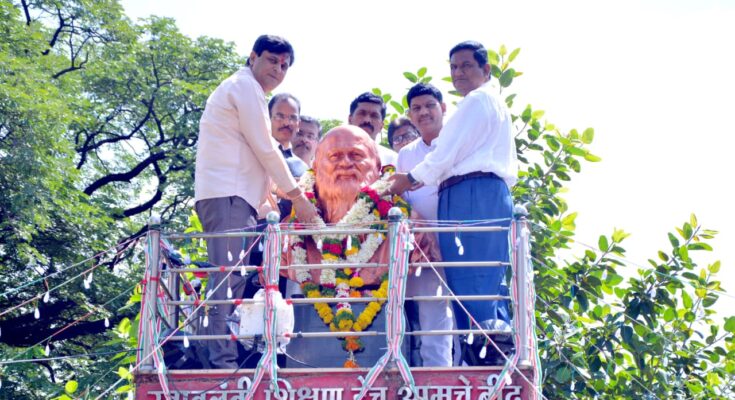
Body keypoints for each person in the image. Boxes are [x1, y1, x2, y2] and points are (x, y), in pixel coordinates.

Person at [389, 41, 518, 365]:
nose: (458, 73)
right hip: (477, 193)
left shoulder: (477, 101)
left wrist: (406, 180)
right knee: (480, 280)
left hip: (473, 193)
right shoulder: (489, 103)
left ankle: (488, 358)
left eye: (466, 66)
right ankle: (485, 357)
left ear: (485, 70)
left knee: (473, 279)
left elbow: (442, 156)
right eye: (454, 67)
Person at [194, 34, 317, 369]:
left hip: (234, 198)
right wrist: (298, 198)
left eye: (284, 65)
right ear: (253, 57)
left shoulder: (247, 91)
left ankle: (224, 358)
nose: (278, 69)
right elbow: (265, 148)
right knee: (226, 281)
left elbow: (253, 156)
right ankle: (221, 364)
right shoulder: (245, 87)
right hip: (228, 198)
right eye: (272, 60)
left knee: (230, 279)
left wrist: (277, 196)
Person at [281, 125, 439, 368]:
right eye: (334, 156)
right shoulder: (289, 234)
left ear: (377, 168)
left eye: (356, 156)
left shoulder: (411, 227)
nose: (345, 163)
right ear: (315, 169)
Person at [396, 83, 453, 367]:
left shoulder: (459, 142)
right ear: (409, 114)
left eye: (429, 105)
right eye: (416, 108)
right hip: (424, 246)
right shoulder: (406, 154)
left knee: (474, 307)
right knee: (433, 313)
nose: (423, 112)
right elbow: (402, 200)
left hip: (462, 239)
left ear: (443, 108)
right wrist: (422, 229)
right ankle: (438, 375)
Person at [347, 92, 398, 166]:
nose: (367, 120)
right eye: (362, 113)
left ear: (381, 125)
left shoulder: (392, 160)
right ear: (350, 119)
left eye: (374, 116)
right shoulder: (332, 155)